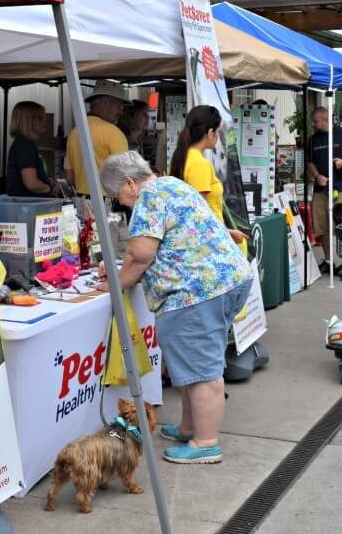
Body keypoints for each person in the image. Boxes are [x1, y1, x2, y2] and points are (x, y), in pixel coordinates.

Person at [98, 151, 252, 465]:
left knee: (202, 371)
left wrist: (115, 282)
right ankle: (189, 427)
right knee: (191, 364)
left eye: (117, 196)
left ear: (130, 183)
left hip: (197, 291)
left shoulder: (148, 197)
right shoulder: (172, 184)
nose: (121, 203)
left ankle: (205, 442)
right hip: (221, 281)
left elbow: (140, 254)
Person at [168, 105, 247, 244]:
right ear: (210, 132)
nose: (218, 136)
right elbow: (200, 213)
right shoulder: (199, 164)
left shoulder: (181, 157)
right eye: (218, 131)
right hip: (208, 241)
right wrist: (227, 233)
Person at [305, 106, 342, 276]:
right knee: (322, 226)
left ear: (325, 119)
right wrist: (316, 176)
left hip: (340, 189)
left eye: (316, 122)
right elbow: (309, 162)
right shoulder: (313, 139)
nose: (313, 125)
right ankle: (328, 261)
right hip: (320, 190)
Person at [64, 80, 129, 195]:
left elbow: (70, 178)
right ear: (106, 103)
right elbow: (125, 176)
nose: (121, 112)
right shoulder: (113, 133)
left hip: (81, 202)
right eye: (119, 106)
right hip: (108, 204)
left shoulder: (75, 132)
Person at [6, 101, 56, 197]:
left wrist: (45, 181)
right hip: (28, 208)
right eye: (40, 118)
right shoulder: (25, 144)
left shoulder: (23, 143)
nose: (45, 121)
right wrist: (49, 188)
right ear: (28, 121)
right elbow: (31, 183)